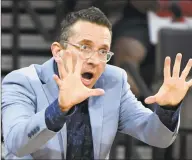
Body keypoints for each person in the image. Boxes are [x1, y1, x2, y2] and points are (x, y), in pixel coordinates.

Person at [2, 7, 192, 160]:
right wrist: (59, 109)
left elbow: (156, 136)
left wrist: (168, 108)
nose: (94, 59)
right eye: (85, 47)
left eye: (103, 51)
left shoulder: (113, 81)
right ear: (58, 51)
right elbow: (16, 144)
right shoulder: (22, 82)